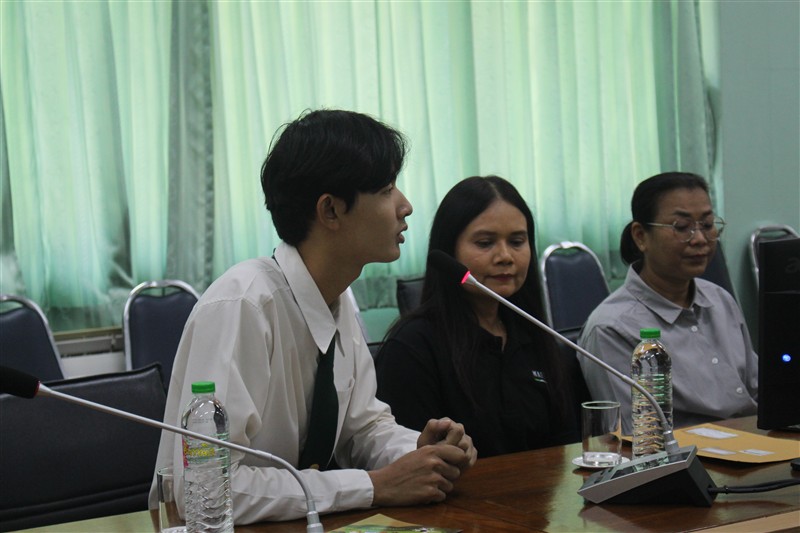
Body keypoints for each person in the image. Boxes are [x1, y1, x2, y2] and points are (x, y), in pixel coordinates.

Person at [149, 109, 477, 524]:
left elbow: (363, 429)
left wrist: (421, 454)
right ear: (331, 211)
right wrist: (374, 486)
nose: (405, 206)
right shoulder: (243, 305)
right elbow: (208, 489)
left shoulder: (337, 298)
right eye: (386, 189)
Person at [375, 176, 584, 458]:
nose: (505, 256)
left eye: (517, 242)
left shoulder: (535, 335)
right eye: (485, 243)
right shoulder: (413, 346)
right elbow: (408, 458)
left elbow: (567, 447)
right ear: (449, 251)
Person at [578, 171, 758, 434]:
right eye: (682, 227)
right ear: (641, 236)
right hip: (691, 456)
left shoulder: (720, 300)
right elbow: (634, 436)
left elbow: (757, 391)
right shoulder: (611, 328)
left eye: (707, 224)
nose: (700, 239)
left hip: (758, 443)